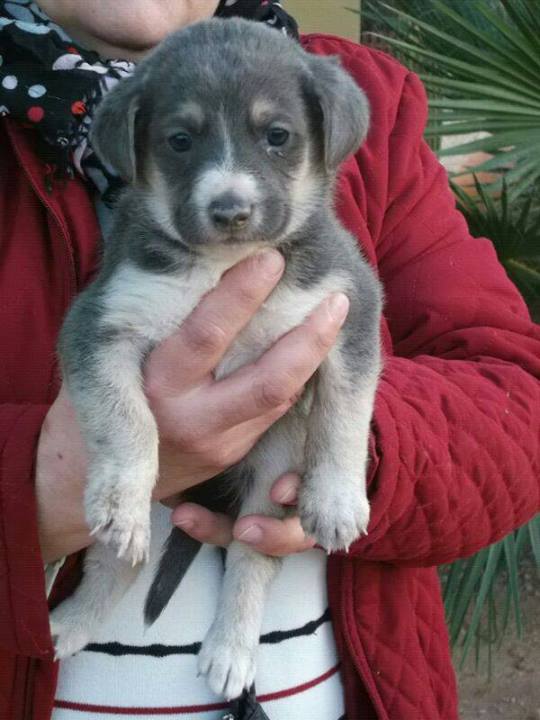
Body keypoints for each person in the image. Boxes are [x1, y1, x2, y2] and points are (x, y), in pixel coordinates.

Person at [0, 1, 538, 718]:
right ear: (133, 147)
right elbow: (99, 344)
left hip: (336, 686)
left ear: (325, 139)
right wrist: (39, 488)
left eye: (276, 139)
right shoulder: (144, 231)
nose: (235, 192)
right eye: (181, 142)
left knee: (264, 504)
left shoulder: (363, 101)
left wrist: (340, 454)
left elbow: (516, 400)